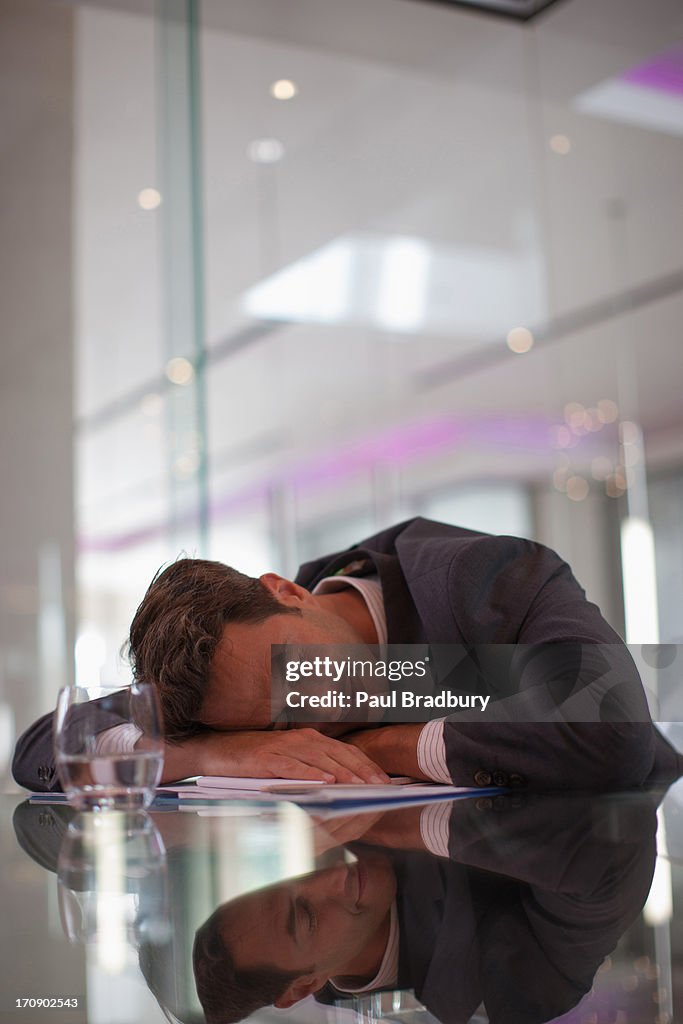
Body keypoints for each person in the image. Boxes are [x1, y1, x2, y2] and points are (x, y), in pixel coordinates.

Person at [12, 517, 682, 792]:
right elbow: (42, 748)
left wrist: (387, 748)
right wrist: (208, 755)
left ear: (284, 590)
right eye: (280, 718)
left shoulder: (484, 578)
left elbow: (616, 728)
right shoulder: (230, 694)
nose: (322, 707)